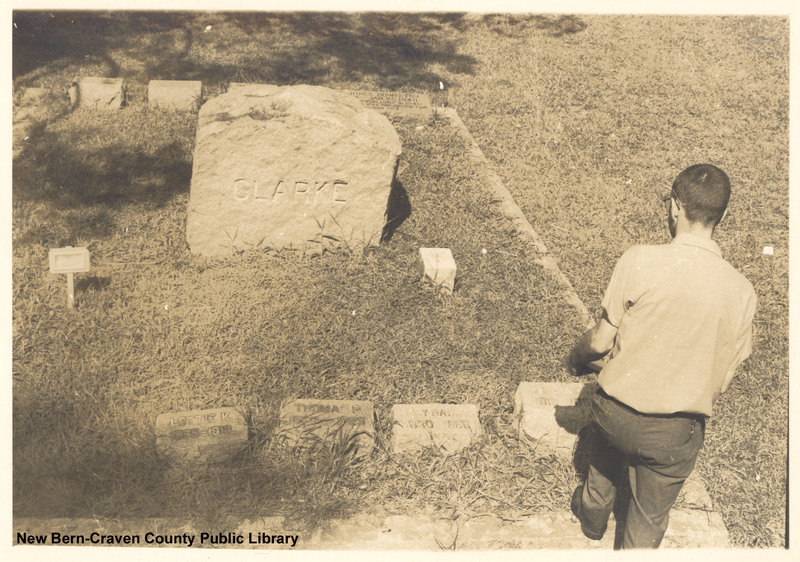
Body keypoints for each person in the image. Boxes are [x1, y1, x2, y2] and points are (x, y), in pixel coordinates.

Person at [564, 163, 756, 548]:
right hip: (673, 433)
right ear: (721, 215)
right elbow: (721, 381)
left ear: (674, 206)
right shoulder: (743, 292)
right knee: (649, 519)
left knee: (603, 454)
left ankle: (592, 517)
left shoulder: (638, 258)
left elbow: (599, 344)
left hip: (614, 413)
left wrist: (574, 360)